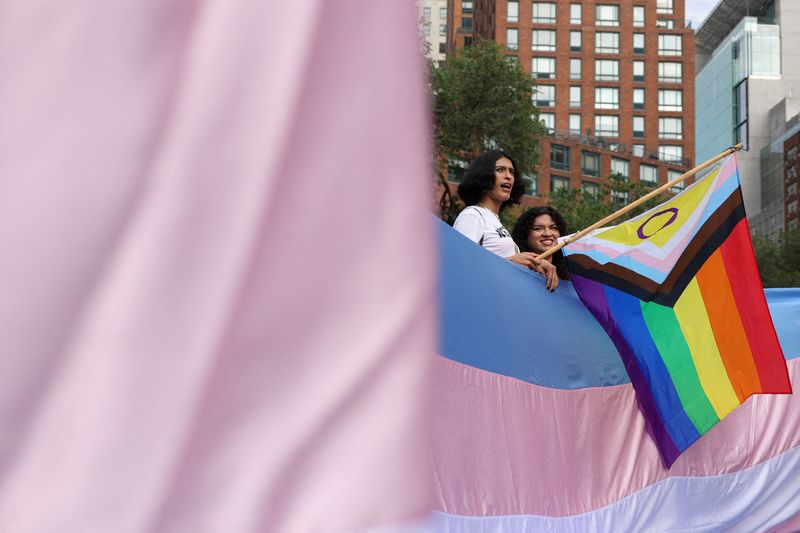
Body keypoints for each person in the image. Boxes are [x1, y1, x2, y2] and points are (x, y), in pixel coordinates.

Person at [453, 150, 558, 291]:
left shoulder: (493, 220)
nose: (508, 176)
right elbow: (458, 265)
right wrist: (511, 261)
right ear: (484, 176)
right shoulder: (472, 216)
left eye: (511, 172)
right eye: (500, 170)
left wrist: (535, 265)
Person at [511, 206, 570, 280]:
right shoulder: (513, 268)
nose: (547, 234)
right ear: (525, 234)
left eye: (553, 228)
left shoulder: (570, 275)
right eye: (538, 228)